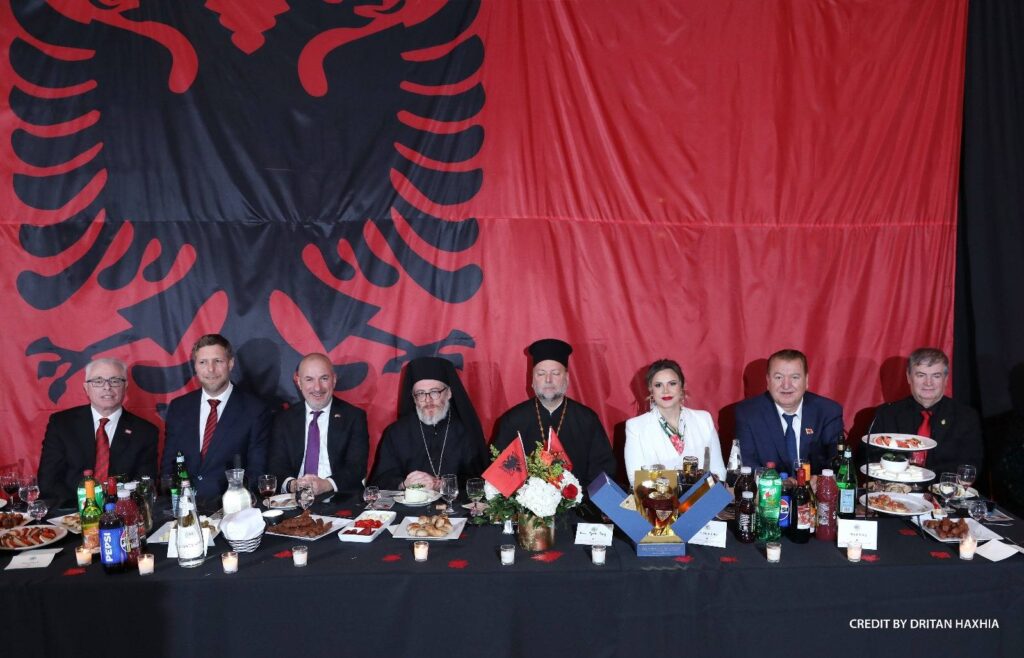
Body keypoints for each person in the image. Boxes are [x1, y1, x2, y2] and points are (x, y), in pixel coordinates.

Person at [492, 339, 617, 487]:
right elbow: (500, 475)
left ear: (567, 378)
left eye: (556, 373)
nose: (548, 380)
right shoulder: (513, 420)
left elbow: (603, 473)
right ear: (532, 380)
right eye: (541, 374)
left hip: (581, 500)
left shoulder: (587, 419)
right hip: (525, 501)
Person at [161, 334, 272, 499]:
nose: (210, 369)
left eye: (218, 361)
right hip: (183, 506)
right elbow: (168, 465)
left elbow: (257, 469)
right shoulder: (179, 407)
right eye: (203, 362)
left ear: (230, 363)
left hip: (231, 508)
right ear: (195, 366)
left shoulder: (255, 410)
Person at [37, 357, 158, 507]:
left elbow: (143, 485)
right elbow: (48, 480)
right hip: (70, 512)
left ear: (125, 386)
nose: (107, 387)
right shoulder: (61, 423)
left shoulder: (145, 432)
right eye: (98, 381)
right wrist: (84, 511)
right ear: (86, 388)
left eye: (115, 381)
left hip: (121, 512)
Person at [369, 356, 487, 490]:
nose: (428, 400)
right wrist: (404, 484)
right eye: (420, 394)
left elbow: (478, 480)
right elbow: (381, 480)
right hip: (408, 502)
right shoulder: (396, 432)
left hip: (455, 502)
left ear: (449, 393)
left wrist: (442, 484)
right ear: (414, 398)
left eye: (434, 392)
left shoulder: (465, 430)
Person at [872, 347, 983, 478]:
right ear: (909, 377)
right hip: (896, 487)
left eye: (936, 376)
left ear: (946, 379)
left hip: (942, 488)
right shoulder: (887, 414)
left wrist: (922, 477)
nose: (928, 383)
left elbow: (969, 467)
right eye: (921, 375)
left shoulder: (966, 417)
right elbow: (869, 458)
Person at [268, 353, 369, 494]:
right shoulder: (283, 419)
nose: (317, 388)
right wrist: (293, 485)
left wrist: (326, 485)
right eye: (309, 379)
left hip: (339, 498)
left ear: (334, 380)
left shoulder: (354, 417)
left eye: (324, 378)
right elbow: (276, 466)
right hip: (295, 498)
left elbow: (356, 467)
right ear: (299, 382)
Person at [735, 349, 844, 474]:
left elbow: (837, 461)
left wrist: (820, 479)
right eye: (779, 377)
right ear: (768, 381)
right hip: (770, 485)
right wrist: (780, 482)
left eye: (795, 377)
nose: (786, 385)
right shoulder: (748, 413)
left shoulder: (828, 411)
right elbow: (747, 464)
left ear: (806, 381)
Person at [624, 359, 726, 487]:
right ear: (651, 389)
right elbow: (636, 479)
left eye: (672, 383)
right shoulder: (635, 427)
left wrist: (700, 493)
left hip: (703, 496)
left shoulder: (704, 419)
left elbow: (719, 471)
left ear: (682, 386)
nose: (665, 391)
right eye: (658, 385)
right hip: (658, 498)